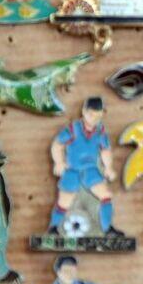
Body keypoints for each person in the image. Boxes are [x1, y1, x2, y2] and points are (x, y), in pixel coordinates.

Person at [46, 97, 123, 237]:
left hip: (90, 170)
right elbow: (57, 145)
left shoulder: (100, 131)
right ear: (84, 112)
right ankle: (53, 229)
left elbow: (105, 150)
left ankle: (108, 229)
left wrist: (108, 167)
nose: (94, 119)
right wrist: (59, 162)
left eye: (98, 116)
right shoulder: (73, 129)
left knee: (106, 196)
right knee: (64, 202)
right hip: (72, 170)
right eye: (91, 114)